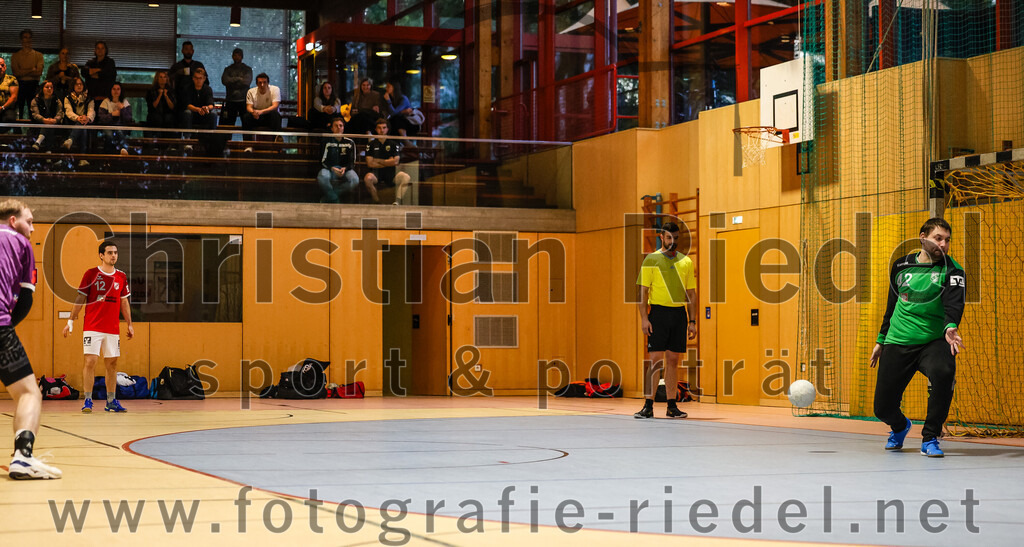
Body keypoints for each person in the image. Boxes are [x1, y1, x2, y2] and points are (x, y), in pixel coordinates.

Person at [870, 217, 966, 458]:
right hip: (898, 340)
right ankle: (900, 426)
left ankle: (931, 437)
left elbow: (954, 303)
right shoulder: (901, 266)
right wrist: (881, 339)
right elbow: (891, 305)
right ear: (922, 237)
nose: (943, 245)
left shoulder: (953, 270)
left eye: (947, 240)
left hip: (933, 341)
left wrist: (950, 326)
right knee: (882, 408)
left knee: (944, 371)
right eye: (938, 238)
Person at [0, 200, 62, 479]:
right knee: (28, 392)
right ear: (13, 221)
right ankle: (23, 458)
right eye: (29, 221)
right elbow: (25, 298)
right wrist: (6, 328)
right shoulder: (22, 244)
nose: (33, 229)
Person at [634, 221, 697, 419]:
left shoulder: (685, 262)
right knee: (655, 360)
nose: (673, 242)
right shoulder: (651, 260)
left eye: (676, 238)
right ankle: (648, 406)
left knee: (673, 360)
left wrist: (692, 321)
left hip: (678, 314)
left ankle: (672, 406)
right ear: (662, 237)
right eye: (669, 238)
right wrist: (644, 318)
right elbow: (642, 292)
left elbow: (692, 294)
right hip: (658, 313)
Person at [62, 240, 134, 414]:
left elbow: (124, 302)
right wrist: (70, 321)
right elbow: (80, 298)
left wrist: (130, 324)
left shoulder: (121, 277)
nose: (113, 255)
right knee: (90, 361)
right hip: (93, 326)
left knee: (112, 364)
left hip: (112, 329)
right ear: (101, 255)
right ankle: (87, 400)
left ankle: (111, 401)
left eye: (115, 252)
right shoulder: (91, 274)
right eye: (110, 252)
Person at [363, 118, 412, 205]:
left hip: (391, 173)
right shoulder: (371, 144)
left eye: (384, 127)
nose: (382, 130)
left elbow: (396, 162)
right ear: (376, 129)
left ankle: (397, 201)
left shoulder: (393, 143)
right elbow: (370, 163)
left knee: (406, 177)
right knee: (367, 179)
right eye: (379, 128)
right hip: (376, 173)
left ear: (387, 129)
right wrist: (388, 162)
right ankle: (376, 202)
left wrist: (377, 160)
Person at [176, 67, 219, 155]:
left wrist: (206, 108)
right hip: (193, 115)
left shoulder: (208, 89)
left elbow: (211, 104)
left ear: (204, 79)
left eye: (200, 78)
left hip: (204, 114)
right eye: (196, 78)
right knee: (187, 112)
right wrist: (198, 109)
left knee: (214, 114)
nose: (198, 80)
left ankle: (211, 140)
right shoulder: (188, 88)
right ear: (193, 78)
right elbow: (187, 104)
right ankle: (188, 141)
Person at [317, 116, 359, 203]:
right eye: (336, 126)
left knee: (355, 179)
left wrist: (345, 168)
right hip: (329, 168)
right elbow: (322, 160)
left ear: (343, 127)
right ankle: (334, 199)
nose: (339, 128)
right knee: (322, 177)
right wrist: (332, 168)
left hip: (345, 169)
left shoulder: (350, 142)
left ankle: (331, 196)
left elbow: (352, 161)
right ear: (332, 128)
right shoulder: (326, 141)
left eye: (341, 126)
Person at [12, 30, 43, 120]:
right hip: (20, 85)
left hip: (33, 85)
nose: (27, 40)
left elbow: (39, 72)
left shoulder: (38, 55)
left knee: (33, 109)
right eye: (25, 37)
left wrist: (23, 71)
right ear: (21, 39)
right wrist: (32, 69)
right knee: (19, 109)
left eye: (29, 37)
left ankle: (33, 131)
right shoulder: (16, 56)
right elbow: (16, 73)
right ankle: (17, 131)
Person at [95, 82, 132, 156]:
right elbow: (101, 118)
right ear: (110, 90)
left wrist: (123, 109)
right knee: (109, 135)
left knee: (119, 131)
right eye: (114, 89)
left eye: (118, 89)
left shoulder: (125, 102)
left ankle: (123, 149)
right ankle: (109, 155)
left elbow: (129, 119)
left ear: (121, 91)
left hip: (121, 126)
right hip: (108, 126)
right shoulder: (105, 102)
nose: (116, 91)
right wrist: (112, 114)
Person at [62, 77, 94, 158]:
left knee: (83, 127)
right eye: (77, 84)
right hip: (71, 122)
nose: (79, 86)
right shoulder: (68, 98)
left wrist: (87, 118)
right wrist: (78, 118)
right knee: (82, 126)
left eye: (81, 84)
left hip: (85, 122)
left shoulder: (89, 98)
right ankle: (82, 158)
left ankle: (70, 140)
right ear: (73, 86)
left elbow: (91, 110)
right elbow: (68, 112)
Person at [220, 48, 252, 127]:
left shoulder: (247, 69)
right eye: (235, 55)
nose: (237, 57)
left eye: (239, 55)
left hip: (244, 100)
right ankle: (227, 140)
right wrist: (239, 78)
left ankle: (247, 140)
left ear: (242, 57)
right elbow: (224, 81)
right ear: (232, 56)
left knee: (246, 124)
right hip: (230, 100)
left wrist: (232, 81)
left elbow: (246, 82)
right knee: (228, 125)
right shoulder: (228, 69)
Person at [28, 80, 63, 150]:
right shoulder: (36, 100)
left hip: (54, 124)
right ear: (42, 89)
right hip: (39, 125)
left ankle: (38, 142)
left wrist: (55, 120)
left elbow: (60, 113)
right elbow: (35, 114)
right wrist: (44, 120)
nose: (49, 89)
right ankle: (48, 152)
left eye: (51, 87)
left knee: (50, 126)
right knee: (48, 126)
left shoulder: (57, 100)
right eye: (47, 87)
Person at [84, 41, 117, 105]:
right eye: (98, 48)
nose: (100, 50)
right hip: (91, 97)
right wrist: (99, 71)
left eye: (102, 48)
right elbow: (84, 72)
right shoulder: (90, 62)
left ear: (106, 50)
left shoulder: (110, 62)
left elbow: (107, 74)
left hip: (105, 97)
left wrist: (92, 73)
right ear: (95, 50)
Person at [0, 57, 19, 131]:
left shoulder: (12, 79)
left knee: (9, 118)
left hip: (7, 108)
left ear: (5, 67)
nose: (0, 67)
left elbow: (14, 97)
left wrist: (2, 107)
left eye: (2, 65)